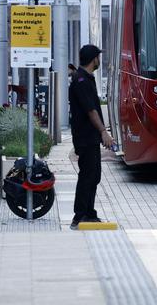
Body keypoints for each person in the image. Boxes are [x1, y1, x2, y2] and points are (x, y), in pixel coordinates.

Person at [68, 44, 114, 229]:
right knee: (88, 175)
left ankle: (89, 213)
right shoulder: (81, 81)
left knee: (93, 175)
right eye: (98, 57)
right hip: (85, 137)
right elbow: (91, 111)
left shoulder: (86, 78)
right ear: (94, 59)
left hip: (90, 137)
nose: (99, 60)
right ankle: (80, 216)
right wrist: (104, 131)